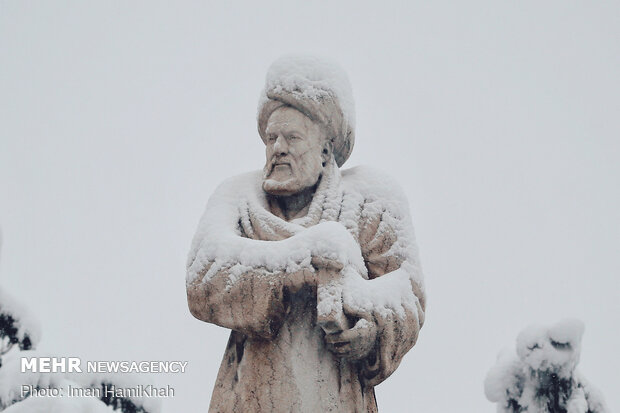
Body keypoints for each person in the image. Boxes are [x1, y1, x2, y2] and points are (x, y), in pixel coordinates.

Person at [186, 55, 426, 413]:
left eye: (292, 137)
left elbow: (407, 293)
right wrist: (298, 262)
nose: (278, 148)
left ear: (326, 149)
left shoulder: (371, 199)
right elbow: (201, 278)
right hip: (252, 394)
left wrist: (368, 326)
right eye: (271, 138)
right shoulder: (238, 197)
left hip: (337, 393)